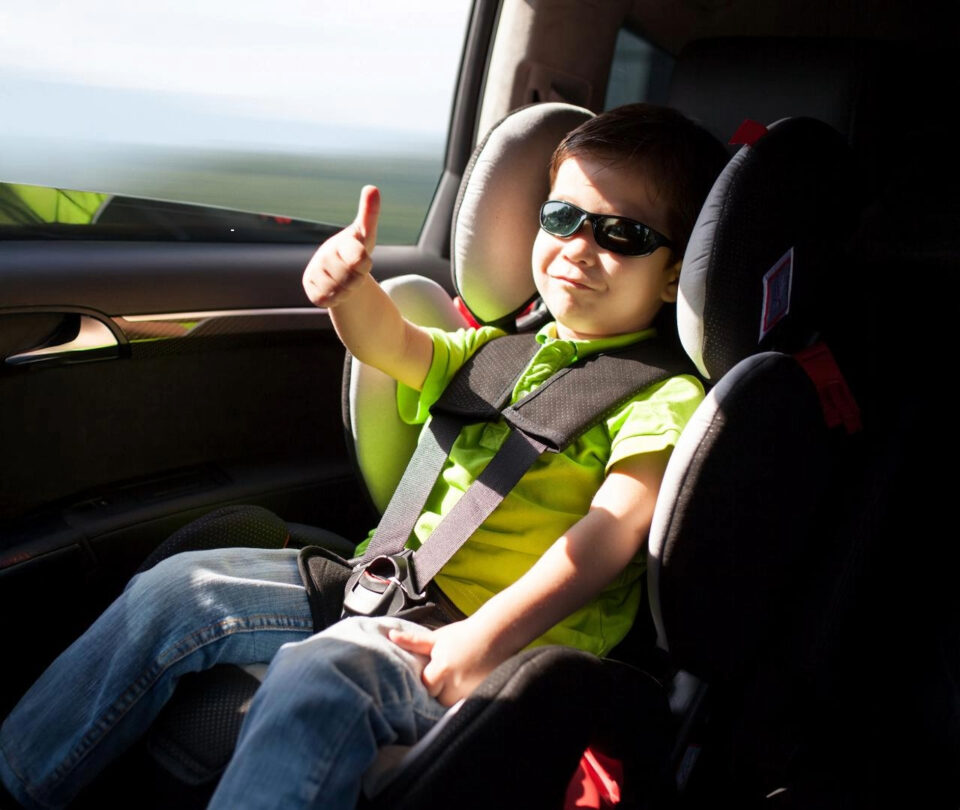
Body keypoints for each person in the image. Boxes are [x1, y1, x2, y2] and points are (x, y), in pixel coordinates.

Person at [0, 104, 728, 810]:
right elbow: (396, 345)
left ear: (673, 275)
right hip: (380, 585)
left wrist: (484, 639)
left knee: (323, 675)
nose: (577, 247)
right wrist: (349, 292)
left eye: (622, 234)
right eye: (562, 217)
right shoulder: (499, 352)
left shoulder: (663, 396)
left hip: (496, 647)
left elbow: (611, 534)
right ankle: (21, 780)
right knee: (176, 590)